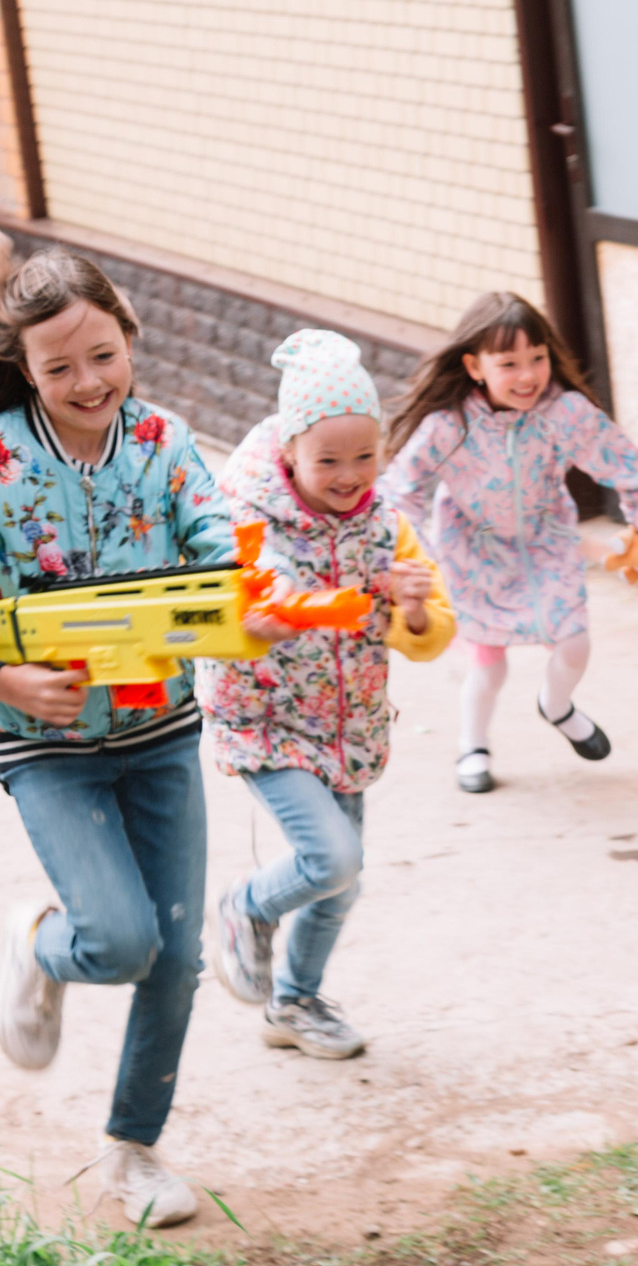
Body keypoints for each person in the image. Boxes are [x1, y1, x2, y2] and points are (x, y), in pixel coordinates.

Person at [0, 224, 233, 1229]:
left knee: (179, 953)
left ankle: (134, 1150)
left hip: (163, 733)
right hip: (49, 753)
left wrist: (251, 603)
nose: (88, 379)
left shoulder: (165, 443)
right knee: (118, 941)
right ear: (24, 369)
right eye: (59, 365)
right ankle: (40, 944)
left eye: (103, 354)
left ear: (130, 338)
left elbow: (222, 555)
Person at [197, 330, 455, 1058]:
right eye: (329, 461)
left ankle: (295, 1002)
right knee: (332, 857)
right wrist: (271, 607)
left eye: (365, 456)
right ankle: (242, 908)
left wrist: (408, 606)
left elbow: (431, 635)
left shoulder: (385, 524)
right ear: (289, 455)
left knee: (340, 885)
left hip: (348, 723)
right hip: (264, 718)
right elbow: (238, 601)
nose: (350, 475)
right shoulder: (248, 520)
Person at [379, 291, 638, 795]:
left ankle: (556, 705)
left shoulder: (565, 413)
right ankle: (473, 744)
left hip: (545, 539)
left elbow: (628, 467)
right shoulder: (450, 424)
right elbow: (400, 488)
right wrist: (412, 553)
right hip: (471, 547)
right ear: (474, 366)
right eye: (508, 362)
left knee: (574, 640)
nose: (527, 375)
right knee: (488, 658)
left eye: (536, 359)